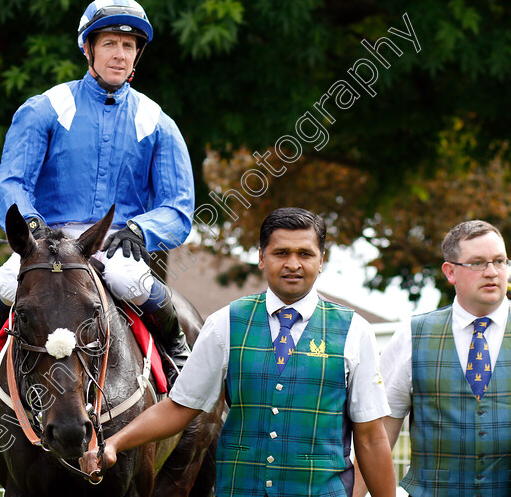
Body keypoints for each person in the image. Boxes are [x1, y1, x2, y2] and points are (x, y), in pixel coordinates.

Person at [81, 207, 396, 496]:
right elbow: (180, 408)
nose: (293, 264)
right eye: (281, 253)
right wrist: (114, 442)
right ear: (261, 257)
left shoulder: (356, 331)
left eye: (305, 253)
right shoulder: (224, 324)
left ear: (321, 259)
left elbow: (370, 437)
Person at [0, 0, 195, 384]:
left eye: (128, 46)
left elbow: (178, 207)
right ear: (88, 48)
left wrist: (142, 230)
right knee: (7, 281)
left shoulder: (158, 122)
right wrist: (31, 224)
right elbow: (12, 182)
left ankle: (178, 353)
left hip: (114, 241)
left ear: (137, 55)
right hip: (48, 237)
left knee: (131, 281)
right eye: (109, 43)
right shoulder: (44, 108)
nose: (119, 54)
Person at [355, 220, 511, 496]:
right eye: (477, 263)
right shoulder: (412, 336)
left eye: (499, 261)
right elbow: (377, 434)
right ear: (450, 272)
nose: (492, 272)